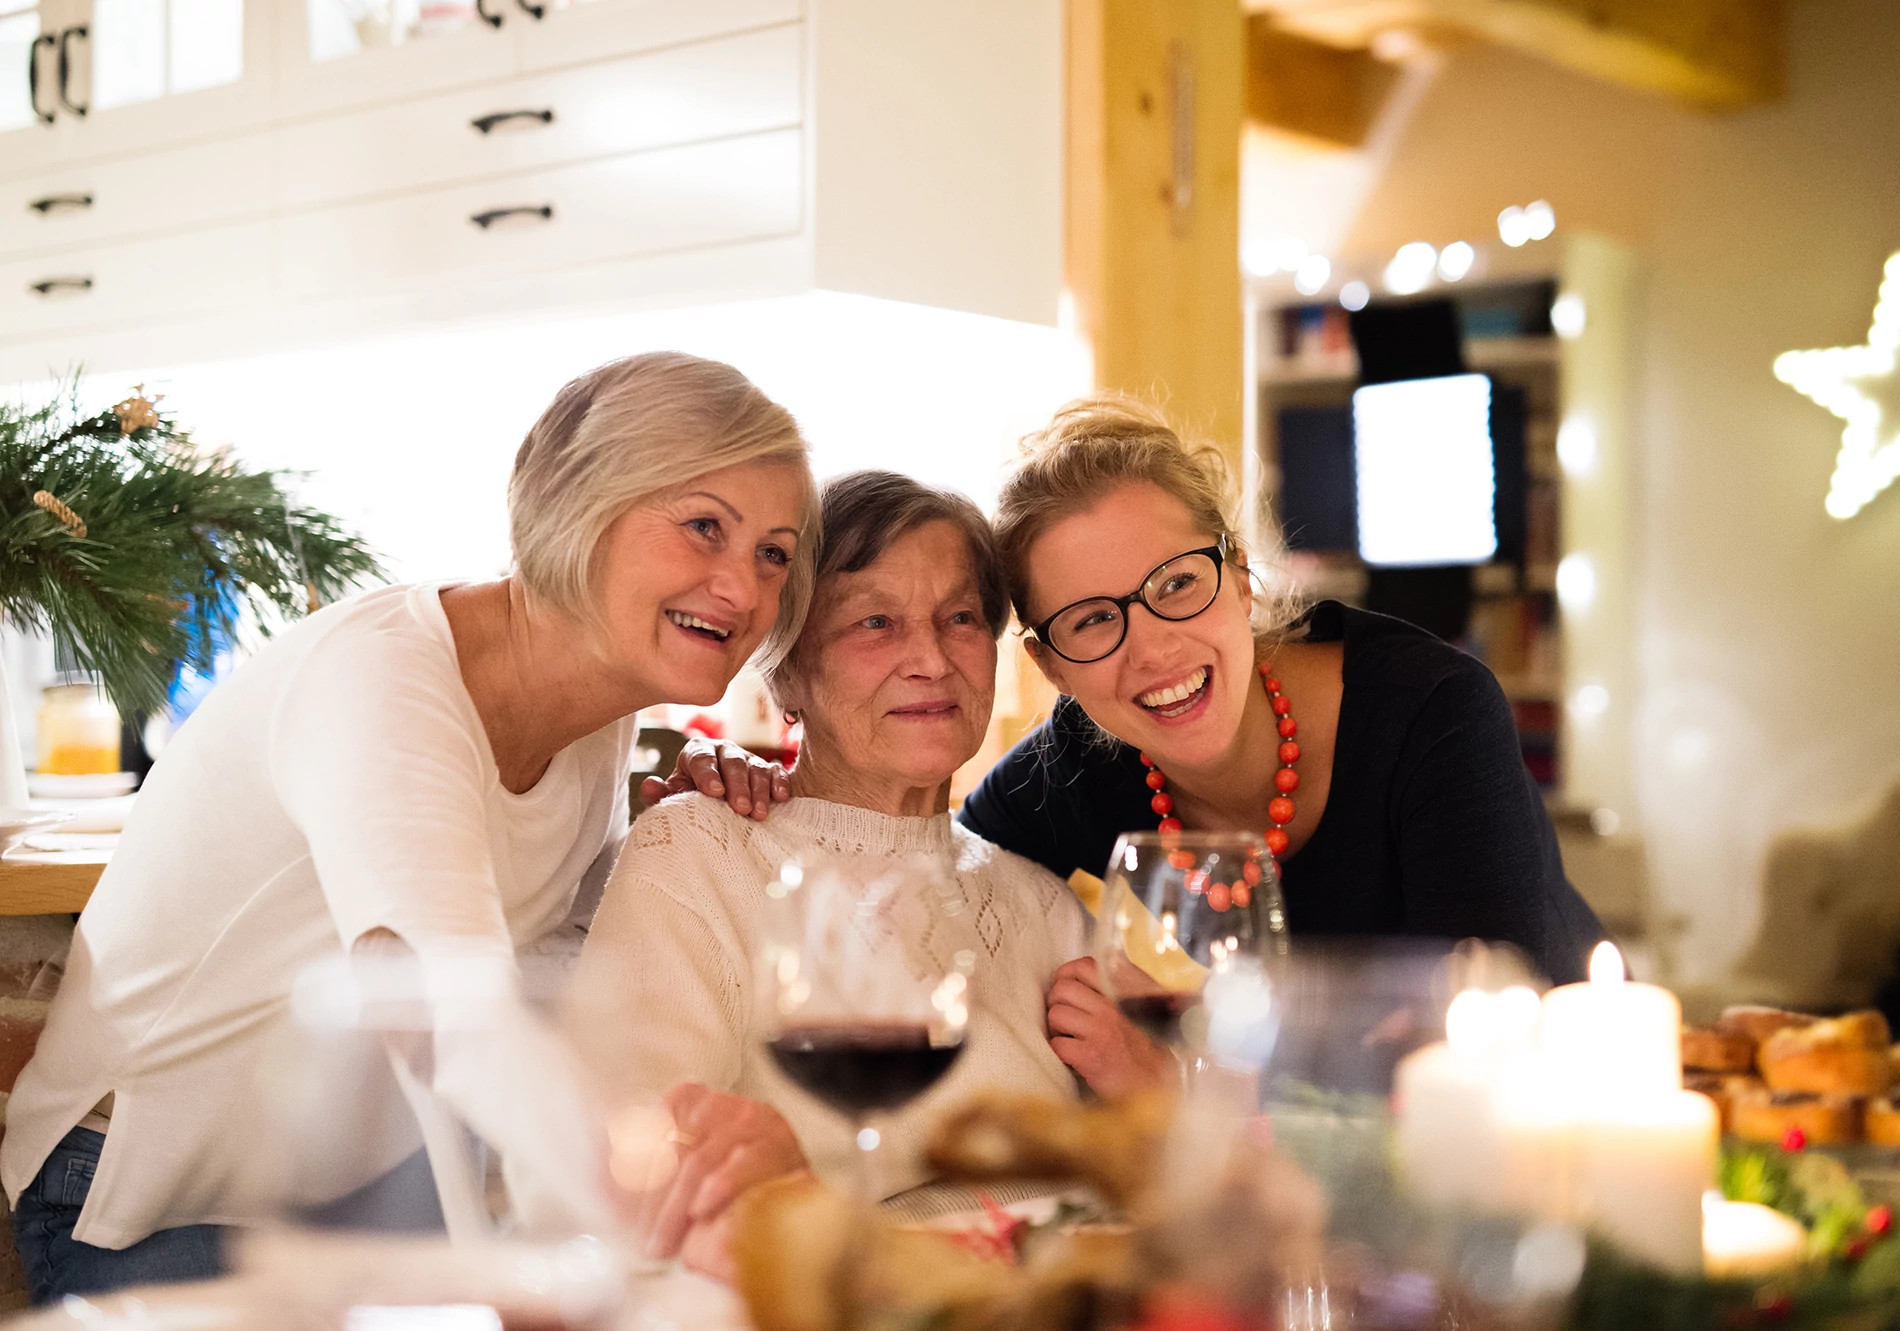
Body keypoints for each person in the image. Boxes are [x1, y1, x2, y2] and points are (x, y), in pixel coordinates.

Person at [2, 353, 819, 1302]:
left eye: (773, 551)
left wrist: (673, 820)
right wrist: (647, 1214)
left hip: (353, 1190)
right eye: (703, 525)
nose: (743, 585)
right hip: (142, 1199)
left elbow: (540, 941)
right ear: (578, 502)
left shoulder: (598, 703)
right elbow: (450, 1014)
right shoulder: (382, 683)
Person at [666, 396, 1604, 1096]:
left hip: (1548, 1120)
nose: (1151, 646)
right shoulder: (1061, 785)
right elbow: (910, 840)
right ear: (1049, 665)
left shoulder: (1430, 711)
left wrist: (1176, 1087)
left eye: (1177, 584)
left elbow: (1495, 1063)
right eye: (1091, 619)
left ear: (1241, 577)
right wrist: (765, 785)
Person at [572, 471, 1093, 1264]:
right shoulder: (702, 851)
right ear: (785, 669)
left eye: (959, 618)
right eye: (875, 621)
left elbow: (1137, 1168)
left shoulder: (1043, 903)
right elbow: (625, 1163)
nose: (929, 658)